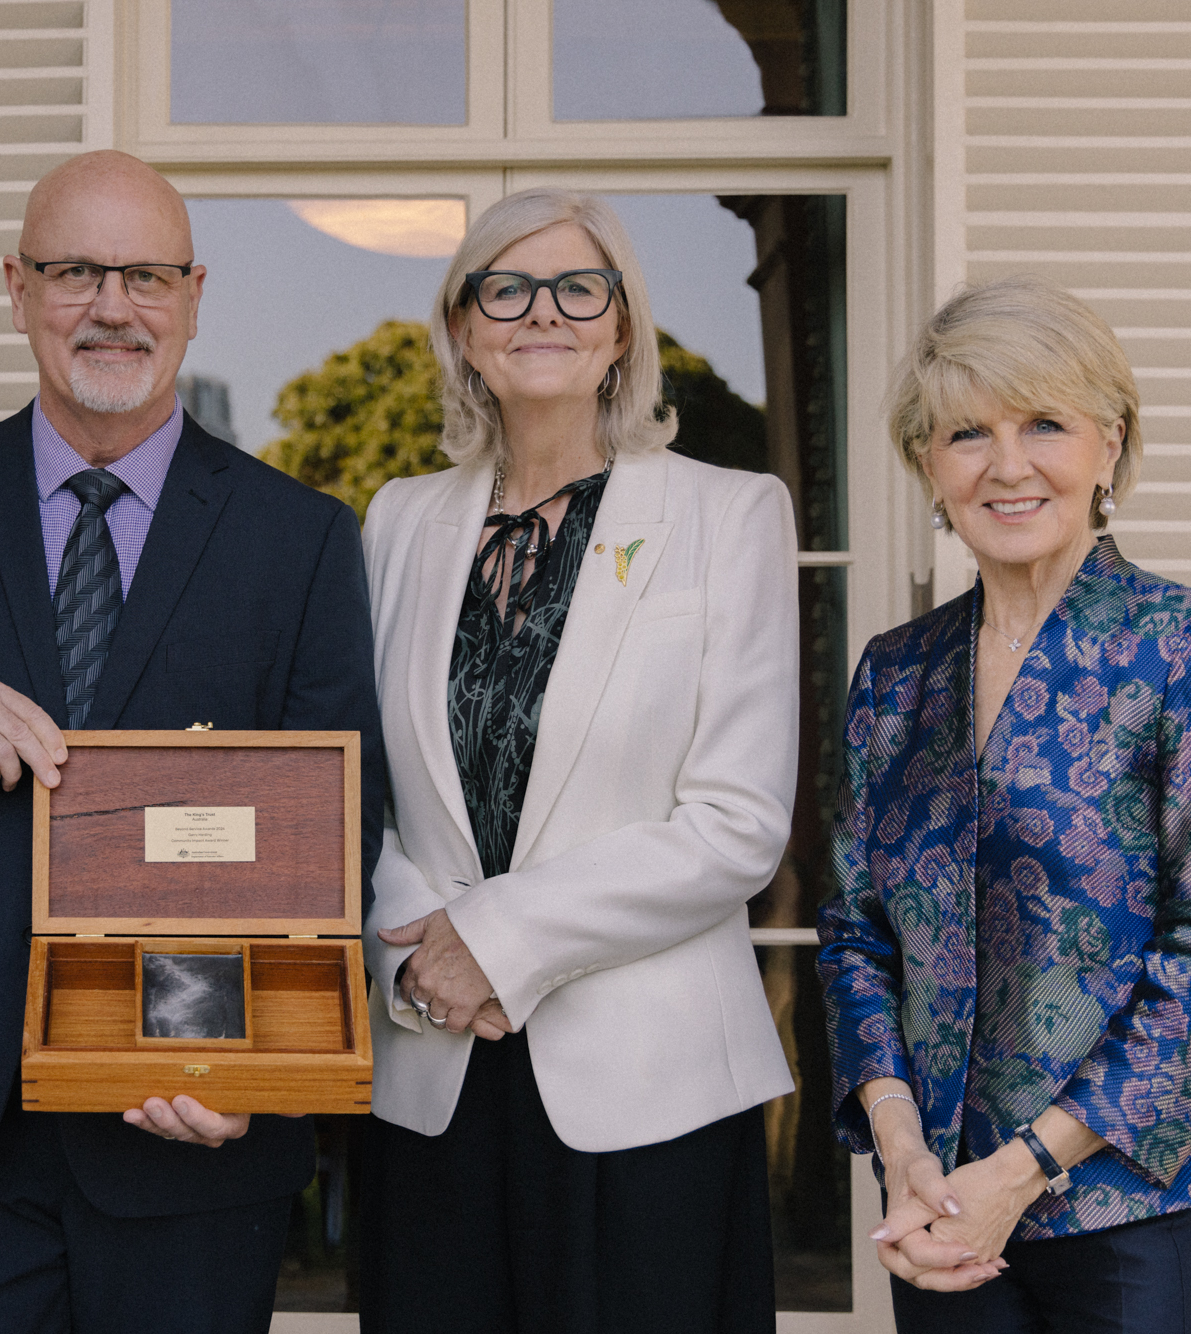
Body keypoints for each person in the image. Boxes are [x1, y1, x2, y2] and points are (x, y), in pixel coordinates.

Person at [0, 149, 384, 1333]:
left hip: (184, 1110)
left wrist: (243, 1070)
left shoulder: (301, 538)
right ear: (17, 289)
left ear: (193, 293)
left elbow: (335, 834)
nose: (112, 306)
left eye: (145, 275)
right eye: (75, 271)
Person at [355, 186, 799, 1332]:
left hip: (648, 1095)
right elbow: (358, 792)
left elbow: (735, 823)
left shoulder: (728, 513)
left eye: (575, 287)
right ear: (461, 326)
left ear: (617, 328)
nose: (537, 312)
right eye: (502, 286)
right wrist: (410, 953)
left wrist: (493, 944)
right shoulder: (396, 519)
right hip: (434, 1064)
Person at [817, 274, 1191, 1332]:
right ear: (927, 464)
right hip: (941, 1213)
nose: (1006, 463)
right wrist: (903, 1156)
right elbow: (852, 935)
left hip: (1142, 1217)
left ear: (1107, 445)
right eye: (966, 432)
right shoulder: (896, 671)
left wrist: (1021, 1170)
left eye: (1043, 424)